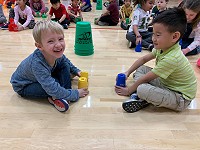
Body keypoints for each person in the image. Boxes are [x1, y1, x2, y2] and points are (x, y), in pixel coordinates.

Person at [115, 7, 197, 113]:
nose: (153, 38)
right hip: (167, 83)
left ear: (174, 37)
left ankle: (143, 98)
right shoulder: (164, 47)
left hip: (180, 98)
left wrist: (129, 90)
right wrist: (127, 72)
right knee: (141, 69)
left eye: (158, 35)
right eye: (153, 33)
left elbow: (145, 79)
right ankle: (148, 96)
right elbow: (144, 59)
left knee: (141, 89)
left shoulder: (172, 58)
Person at [10, 20, 89, 112]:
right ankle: (61, 96)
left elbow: (65, 60)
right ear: (39, 46)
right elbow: (52, 88)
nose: (58, 45)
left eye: (60, 39)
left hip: (42, 76)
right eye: (51, 41)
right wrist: (75, 94)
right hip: (25, 86)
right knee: (53, 86)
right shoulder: (37, 64)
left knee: (64, 65)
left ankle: (64, 94)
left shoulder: (54, 53)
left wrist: (76, 71)